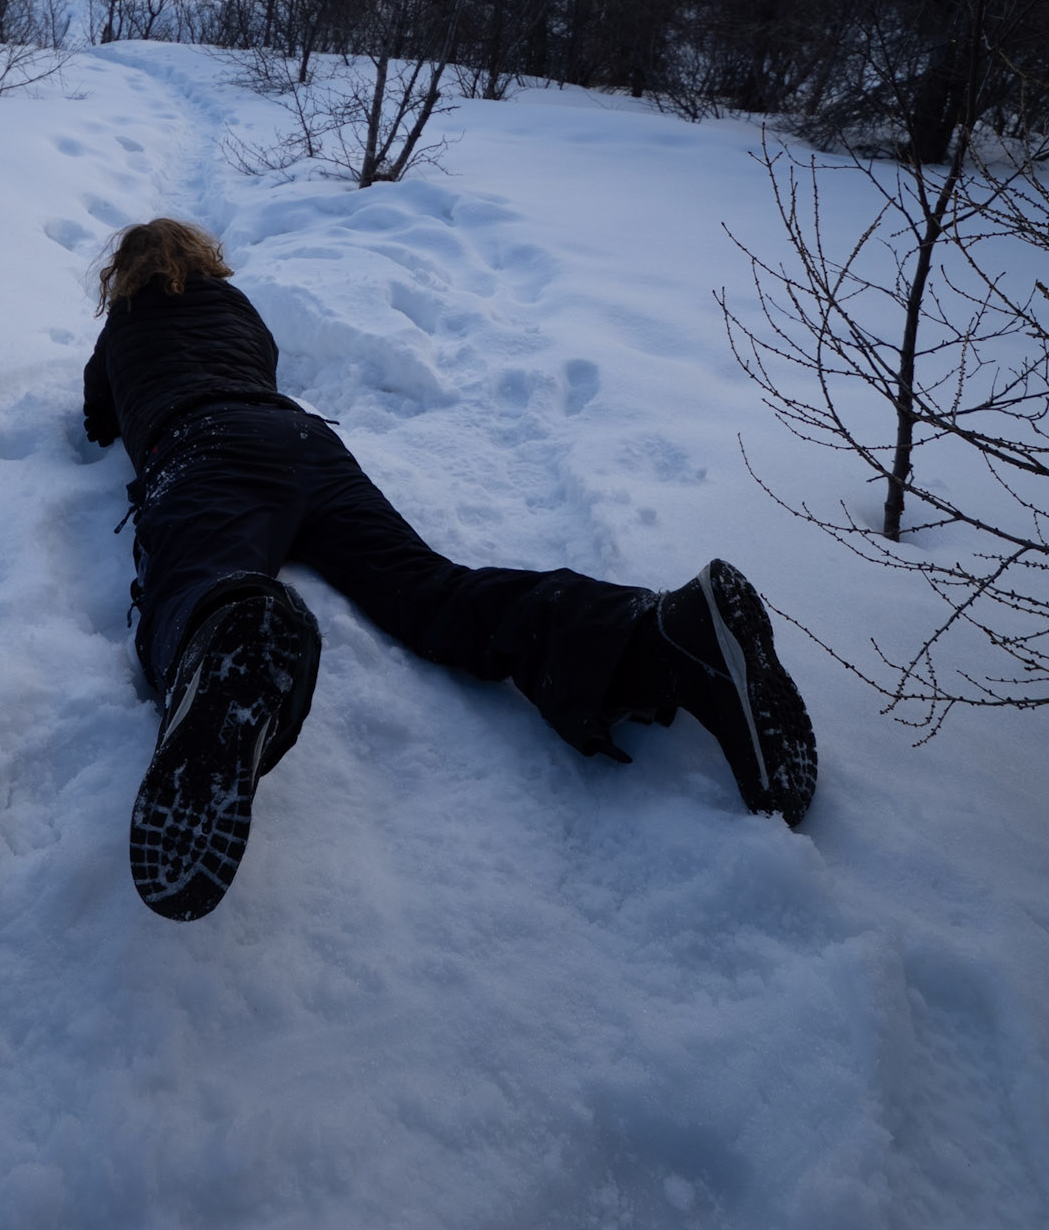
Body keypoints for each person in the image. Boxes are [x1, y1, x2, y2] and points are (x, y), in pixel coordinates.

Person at [84, 218, 818, 922]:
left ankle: (225, 632)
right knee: (430, 590)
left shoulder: (123, 325)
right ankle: (661, 633)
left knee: (196, 581)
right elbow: (260, 364)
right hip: (304, 444)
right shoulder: (237, 305)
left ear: (124, 274)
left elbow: (98, 416)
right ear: (203, 258)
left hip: (200, 449)